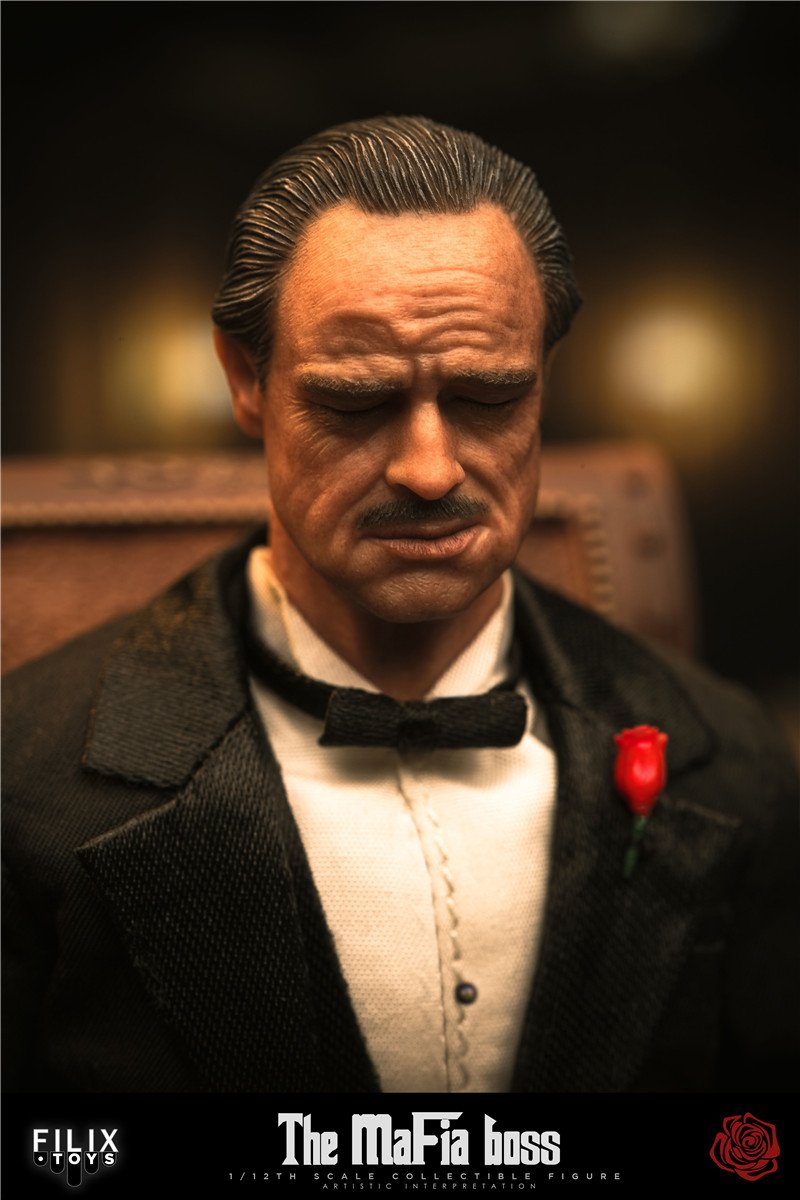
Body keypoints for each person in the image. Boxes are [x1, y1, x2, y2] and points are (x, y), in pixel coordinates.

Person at [3, 116, 797, 1094]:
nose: (429, 470)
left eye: (488, 398)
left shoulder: (731, 762)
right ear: (246, 380)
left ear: (544, 379)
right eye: (354, 401)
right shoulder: (23, 782)